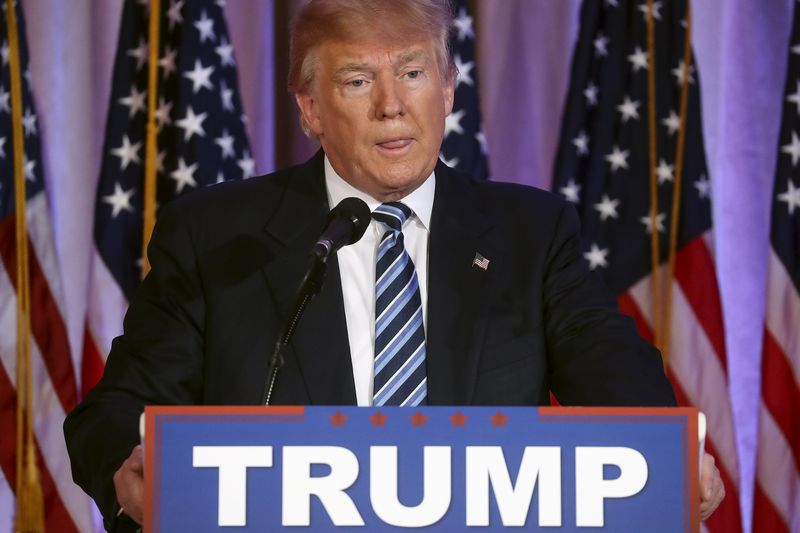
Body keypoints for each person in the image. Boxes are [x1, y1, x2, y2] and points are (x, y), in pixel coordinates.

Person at [64, 0, 725, 530]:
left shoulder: (532, 234)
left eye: (412, 73)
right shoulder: (217, 237)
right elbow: (116, 411)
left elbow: (616, 381)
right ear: (311, 107)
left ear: (447, 87)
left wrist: (664, 460)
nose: (391, 104)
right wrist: (133, 480)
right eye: (357, 81)